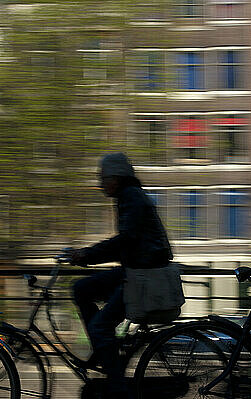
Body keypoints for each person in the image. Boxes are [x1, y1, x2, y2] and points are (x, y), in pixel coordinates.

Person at [68, 152, 173, 397]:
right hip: (136, 271)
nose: (100, 184)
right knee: (81, 289)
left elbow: (126, 240)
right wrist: (88, 256)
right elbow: (128, 243)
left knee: (99, 327)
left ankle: (117, 389)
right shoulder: (129, 196)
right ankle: (102, 349)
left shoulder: (130, 198)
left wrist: (87, 255)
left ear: (116, 178)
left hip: (144, 276)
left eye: (103, 178)